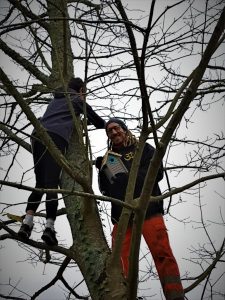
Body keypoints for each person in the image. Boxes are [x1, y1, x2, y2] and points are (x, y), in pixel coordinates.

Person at [96, 118, 184, 300]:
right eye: (109, 131)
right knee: (119, 262)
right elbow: (105, 190)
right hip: (121, 216)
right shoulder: (109, 158)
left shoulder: (143, 148)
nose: (113, 133)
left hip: (148, 210)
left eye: (116, 128)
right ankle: (126, 296)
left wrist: (128, 178)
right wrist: (103, 168)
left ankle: (175, 295)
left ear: (124, 129)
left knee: (162, 253)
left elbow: (157, 171)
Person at [18, 77, 105, 246]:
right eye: (84, 92)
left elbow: (65, 115)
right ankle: (49, 228)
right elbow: (97, 120)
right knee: (51, 183)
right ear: (80, 90)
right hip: (55, 137)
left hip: (38, 136)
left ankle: (27, 223)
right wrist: (106, 124)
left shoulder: (56, 99)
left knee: (40, 183)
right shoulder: (75, 98)